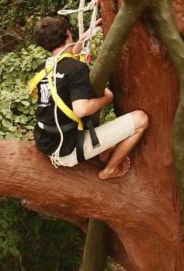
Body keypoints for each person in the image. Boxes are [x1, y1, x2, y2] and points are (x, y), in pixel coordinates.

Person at [30, 15, 148, 179]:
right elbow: (81, 109)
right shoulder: (76, 69)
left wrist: (85, 36)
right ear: (68, 34)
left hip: (47, 142)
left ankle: (104, 150)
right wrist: (107, 98)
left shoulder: (45, 67)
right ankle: (109, 170)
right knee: (141, 119)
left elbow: (66, 61)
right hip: (67, 150)